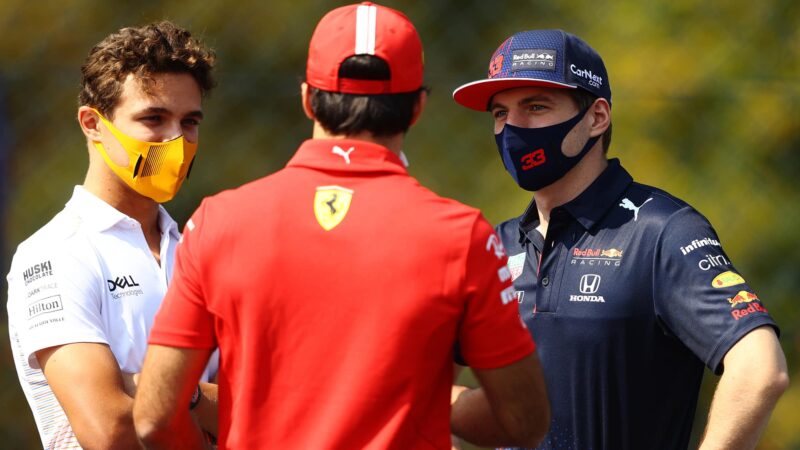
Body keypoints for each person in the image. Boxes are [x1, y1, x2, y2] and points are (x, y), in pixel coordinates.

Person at [132, 3, 550, 449]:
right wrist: (425, 399)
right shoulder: (461, 235)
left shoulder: (218, 221)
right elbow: (523, 422)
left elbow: (154, 417)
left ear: (308, 99)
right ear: (417, 108)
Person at [451, 29, 789, 449]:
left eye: (535, 107)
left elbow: (760, 369)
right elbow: (416, 374)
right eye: (500, 113)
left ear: (597, 116)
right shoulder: (494, 245)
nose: (513, 129)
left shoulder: (661, 230)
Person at [6, 21, 219, 449]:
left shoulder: (203, 248)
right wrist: (201, 397)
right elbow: (108, 431)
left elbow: (266, 409)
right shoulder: (54, 253)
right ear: (92, 123)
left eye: (190, 121)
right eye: (153, 118)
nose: (175, 140)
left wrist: (152, 388)